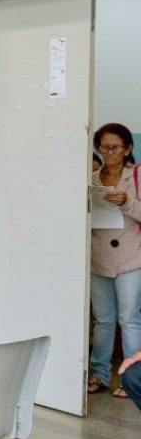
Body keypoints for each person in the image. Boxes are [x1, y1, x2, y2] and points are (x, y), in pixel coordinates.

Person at [89, 123, 141, 397]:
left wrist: (127, 202)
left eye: (115, 147)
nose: (109, 153)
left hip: (130, 258)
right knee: (103, 321)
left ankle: (130, 379)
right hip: (99, 258)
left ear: (127, 149)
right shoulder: (92, 179)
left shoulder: (137, 176)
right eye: (104, 147)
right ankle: (99, 374)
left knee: (129, 319)